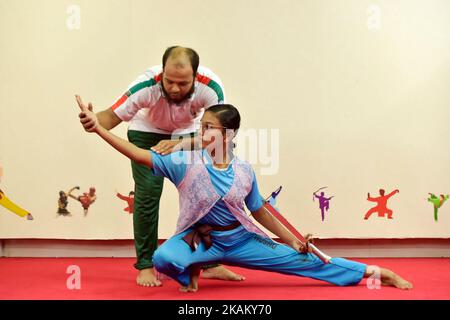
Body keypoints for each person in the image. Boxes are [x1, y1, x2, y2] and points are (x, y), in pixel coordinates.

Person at [75, 101, 413, 292]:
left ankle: (374, 273)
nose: (202, 133)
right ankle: (194, 268)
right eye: (201, 126)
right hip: (198, 240)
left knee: (307, 263)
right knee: (164, 259)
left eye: (210, 127)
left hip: (239, 241)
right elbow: (138, 154)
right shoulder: (184, 162)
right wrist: (99, 129)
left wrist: (294, 241)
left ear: (229, 133)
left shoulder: (244, 171)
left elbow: (261, 211)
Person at [75, 46, 242, 287]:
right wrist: (92, 121)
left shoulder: (211, 87)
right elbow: (110, 117)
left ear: (195, 77)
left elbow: (219, 133)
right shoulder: (146, 85)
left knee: (205, 194)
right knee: (148, 193)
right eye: (169, 81)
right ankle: (145, 265)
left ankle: (210, 263)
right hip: (147, 132)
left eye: (182, 83)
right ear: (162, 72)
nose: (174, 88)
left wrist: (183, 143)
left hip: (188, 135)